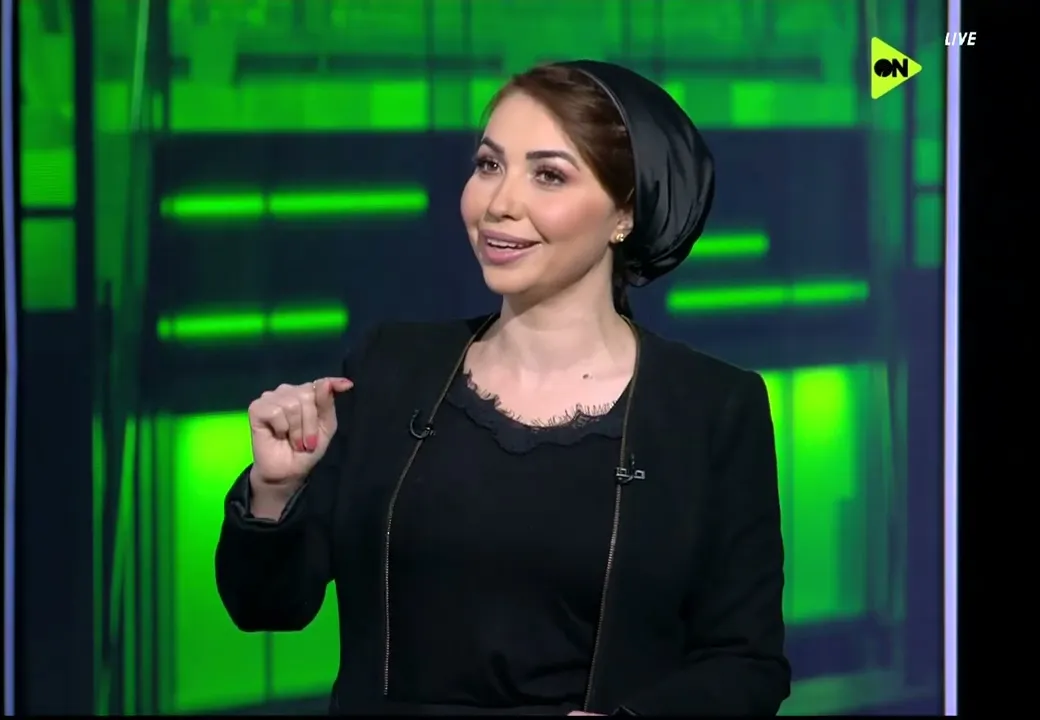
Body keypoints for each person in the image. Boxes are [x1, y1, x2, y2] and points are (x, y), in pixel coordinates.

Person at [215, 60, 790, 716]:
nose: (499, 204)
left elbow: (746, 665)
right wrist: (275, 493)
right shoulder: (391, 367)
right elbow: (268, 607)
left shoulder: (712, 408)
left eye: (548, 175)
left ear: (626, 212)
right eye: (489, 165)